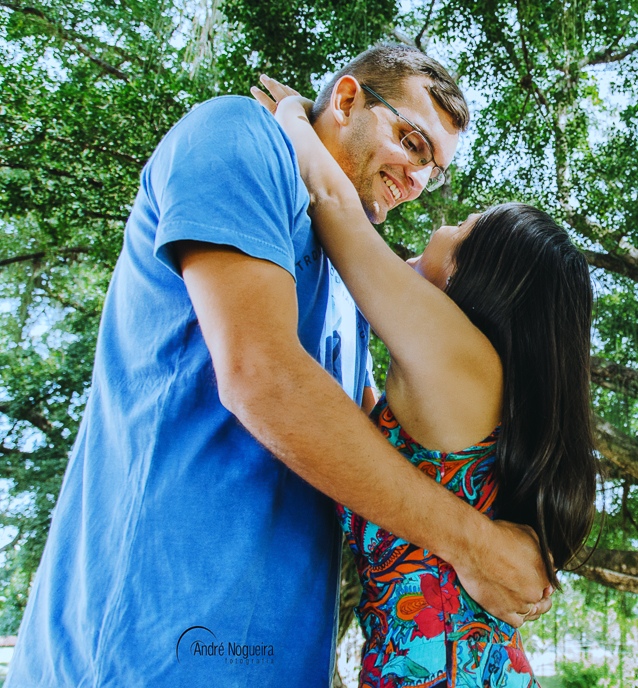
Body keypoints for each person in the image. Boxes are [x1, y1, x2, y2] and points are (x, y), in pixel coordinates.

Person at [6, 45, 553, 688]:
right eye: (411, 141)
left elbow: (378, 453)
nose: (416, 177)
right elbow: (261, 376)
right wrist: (476, 544)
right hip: (142, 651)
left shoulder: (354, 293)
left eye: (432, 169)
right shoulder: (240, 136)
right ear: (346, 100)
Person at [252, 77, 597, 687]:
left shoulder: (464, 358)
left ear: (480, 276)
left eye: (460, 227)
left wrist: (293, 118)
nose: (439, 227)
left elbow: (335, 209)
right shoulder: (445, 400)